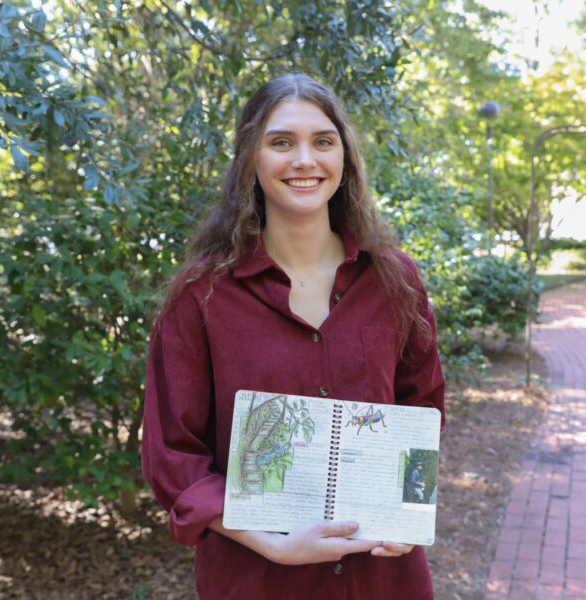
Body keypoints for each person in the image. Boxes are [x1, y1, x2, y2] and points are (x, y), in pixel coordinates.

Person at [141, 73, 445, 599]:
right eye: (281, 142)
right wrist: (274, 545)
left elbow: (422, 410)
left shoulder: (395, 279)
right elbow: (173, 454)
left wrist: (407, 511)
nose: (305, 159)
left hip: (383, 579)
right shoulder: (201, 295)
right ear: (250, 160)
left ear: (344, 157)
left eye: (322, 141)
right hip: (257, 580)